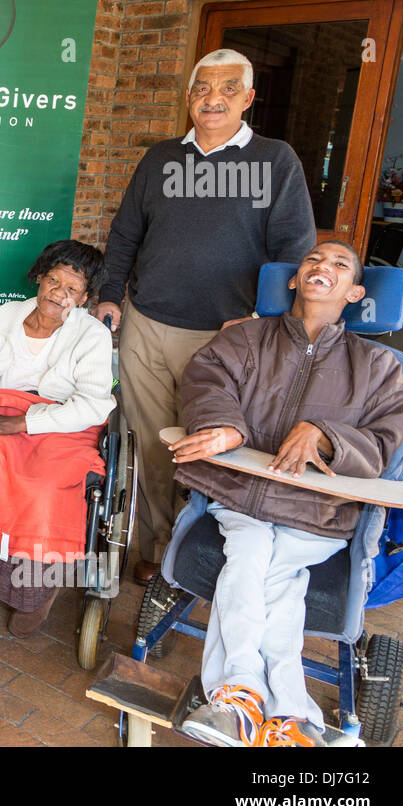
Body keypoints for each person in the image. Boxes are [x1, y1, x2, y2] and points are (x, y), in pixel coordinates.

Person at [169, 241, 403, 746]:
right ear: (295, 281)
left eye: (340, 265)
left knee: (258, 569)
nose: (324, 267)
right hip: (242, 496)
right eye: (313, 261)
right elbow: (205, 380)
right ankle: (291, 717)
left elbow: (386, 445)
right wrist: (225, 426)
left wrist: (326, 435)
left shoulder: (379, 367)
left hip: (317, 512)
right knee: (266, 567)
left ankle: (237, 701)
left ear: (355, 292)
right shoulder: (245, 340)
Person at [94, 48, 317, 586]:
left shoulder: (275, 160)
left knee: (204, 446)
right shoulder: (160, 159)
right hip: (146, 323)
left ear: (247, 98)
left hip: (226, 337)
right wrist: (108, 295)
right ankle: (153, 552)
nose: (212, 99)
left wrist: (260, 320)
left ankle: (196, 557)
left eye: (226, 88)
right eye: (201, 88)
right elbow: (126, 234)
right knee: (150, 444)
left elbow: (294, 251)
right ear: (188, 97)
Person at [0, 239, 114, 637]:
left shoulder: (92, 336)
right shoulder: (5, 317)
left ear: (86, 298)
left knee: (43, 486)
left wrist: (25, 422)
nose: (59, 293)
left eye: (72, 289)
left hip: (63, 425)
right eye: (53, 280)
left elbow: (93, 406)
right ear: (39, 277)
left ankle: (36, 591)